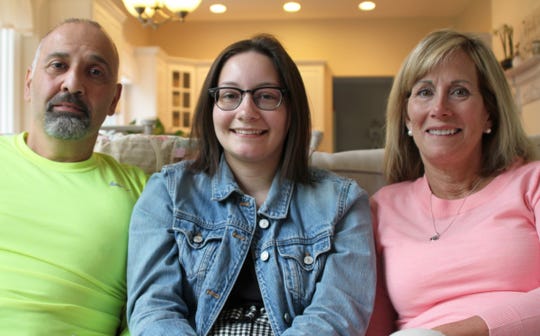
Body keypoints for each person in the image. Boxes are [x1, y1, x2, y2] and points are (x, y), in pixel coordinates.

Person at [127, 33, 376, 336]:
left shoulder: (344, 204)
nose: (246, 111)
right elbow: (153, 310)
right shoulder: (167, 193)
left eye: (266, 96)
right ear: (212, 107)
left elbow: (336, 317)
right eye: (230, 95)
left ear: (291, 110)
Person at [366, 29, 540, 336]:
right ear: (407, 118)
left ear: (489, 113)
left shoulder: (532, 183)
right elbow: (374, 326)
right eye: (424, 92)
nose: (440, 108)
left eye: (459, 91)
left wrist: (445, 335)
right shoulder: (383, 207)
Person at [0, 19, 147, 335]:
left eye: (95, 72)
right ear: (28, 83)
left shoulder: (144, 190)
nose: (72, 83)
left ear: (114, 100)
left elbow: (155, 305)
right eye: (58, 65)